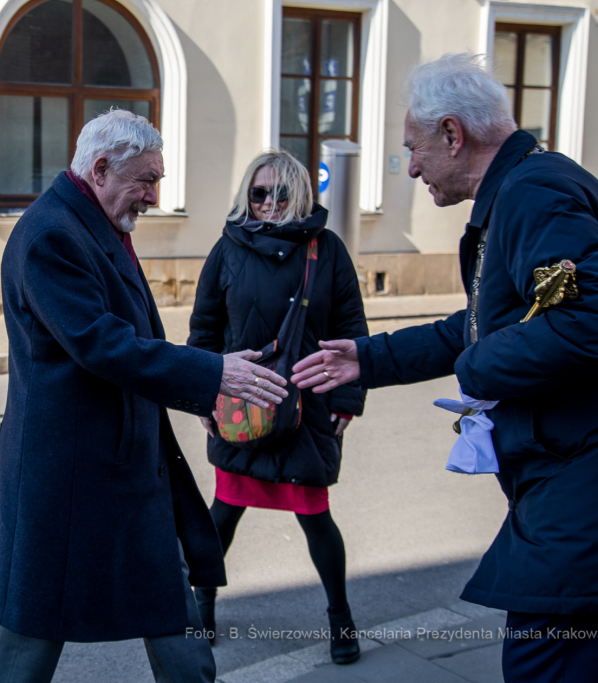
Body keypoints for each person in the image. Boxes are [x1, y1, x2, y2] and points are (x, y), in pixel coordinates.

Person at [293, 53, 598, 683]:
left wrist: (479, 370)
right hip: (574, 488)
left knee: (544, 665)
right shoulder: (522, 190)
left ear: (453, 134)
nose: (412, 167)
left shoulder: (532, 193)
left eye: (414, 147)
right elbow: (489, 321)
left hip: (589, 494)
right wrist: (368, 358)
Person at [0, 109, 290, 683]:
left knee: (168, 603)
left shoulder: (94, 221)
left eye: (157, 180)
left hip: (123, 463)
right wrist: (210, 374)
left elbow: (134, 337)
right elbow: (102, 343)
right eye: (146, 181)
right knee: (33, 628)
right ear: (99, 169)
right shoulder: (52, 234)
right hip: (70, 474)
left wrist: (203, 383)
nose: (152, 195)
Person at [187, 149, 367, 663]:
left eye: (280, 193)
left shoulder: (326, 249)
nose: (267, 204)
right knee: (223, 514)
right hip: (242, 402)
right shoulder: (228, 248)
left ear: (300, 195)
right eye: (258, 193)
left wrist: (348, 398)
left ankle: (340, 617)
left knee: (315, 517)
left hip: (307, 406)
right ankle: (203, 603)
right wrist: (202, 387)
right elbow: (204, 328)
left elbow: (351, 328)